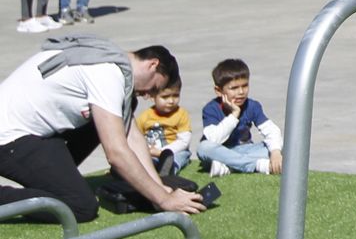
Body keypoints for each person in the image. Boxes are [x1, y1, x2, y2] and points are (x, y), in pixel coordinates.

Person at [0, 36, 207, 222]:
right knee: (81, 206)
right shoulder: (108, 74)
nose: (147, 96)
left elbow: (132, 137)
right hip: (8, 138)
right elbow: (116, 153)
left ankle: (53, 181)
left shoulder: (110, 58)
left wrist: (161, 190)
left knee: (123, 107)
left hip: (33, 130)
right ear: (153, 64)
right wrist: (164, 201)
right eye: (153, 88)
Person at [198, 59, 283, 176]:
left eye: (245, 86)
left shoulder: (252, 106)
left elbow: (271, 130)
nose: (241, 92)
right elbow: (214, 139)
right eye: (234, 88)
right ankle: (258, 165)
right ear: (218, 91)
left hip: (247, 150)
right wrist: (234, 115)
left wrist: (275, 152)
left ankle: (229, 167)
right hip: (221, 152)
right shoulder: (210, 109)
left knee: (281, 146)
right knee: (203, 148)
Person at [135, 76, 197, 173]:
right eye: (165, 97)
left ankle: (171, 169)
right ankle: (149, 166)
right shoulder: (145, 116)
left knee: (181, 156)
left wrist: (163, 152)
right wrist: (147, 150)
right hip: (152, 152)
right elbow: (136, 138)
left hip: (174, 151)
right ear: (152, 97)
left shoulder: (181, 114)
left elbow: (184, 141)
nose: (171, 101)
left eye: (176, 95)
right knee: (145, 159)